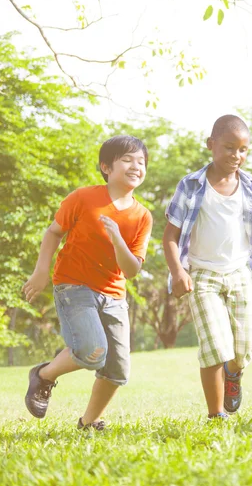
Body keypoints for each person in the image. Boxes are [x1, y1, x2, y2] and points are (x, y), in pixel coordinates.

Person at [23, 135, 152, 430]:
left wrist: (119, 239)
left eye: (141, 162)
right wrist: (41, 270)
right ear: (106, 167)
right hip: (73, 286)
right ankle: (43, 375)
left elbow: (131, 270)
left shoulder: (142, 216)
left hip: (114, 295)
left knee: (118, 370)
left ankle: (88, 423)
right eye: (127, 159)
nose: (136, 166)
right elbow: (53, 232)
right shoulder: (83, 198)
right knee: (93, 352)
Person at [163, 114, 252, 420]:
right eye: (229, 147)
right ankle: (216, 414)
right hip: (202, 276)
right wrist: (178, 271)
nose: (236, 155)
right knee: (215, 346)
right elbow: (170, 236)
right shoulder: (191, 186)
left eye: (243, 150)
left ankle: (234, 374)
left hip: (241, 273)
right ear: (211, 145)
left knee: (244, 349)